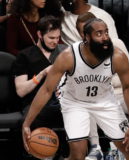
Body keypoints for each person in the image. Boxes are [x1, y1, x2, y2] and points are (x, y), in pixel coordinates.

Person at [22, 18, 129, 160]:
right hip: (74, 102)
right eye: (99, 34)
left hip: (105, 101)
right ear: (86, 37)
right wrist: (27, 123)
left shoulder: (117, 57)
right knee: (78, 154)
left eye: (106, 32)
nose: (105, 37)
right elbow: (46, 90)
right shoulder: (68, 57)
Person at [76, 13, 129, 160]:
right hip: (98, 100)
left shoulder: (117, 45)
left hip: (120, 95)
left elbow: (126, 77)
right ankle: (96, 148)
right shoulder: (78, 52)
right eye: (86, 32)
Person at [12, 15, 67, 159]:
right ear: (39, 35)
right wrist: (42, 74)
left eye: (57, 38)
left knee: (80, 114)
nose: (55, 42)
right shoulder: (25, 56)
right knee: (28, 121)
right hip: (35, 103)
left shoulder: (64, 53)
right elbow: (21, 91)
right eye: (51, 38)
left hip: (62, 101)